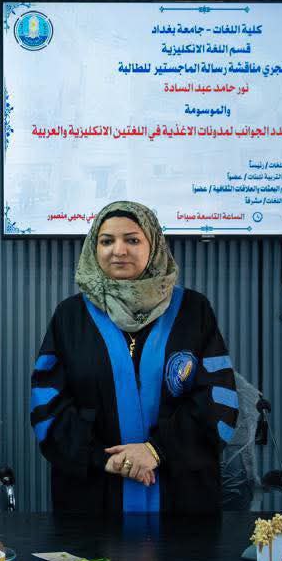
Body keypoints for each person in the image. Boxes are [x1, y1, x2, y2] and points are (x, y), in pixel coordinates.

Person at [29, 201, 238, 513]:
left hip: (181, 497)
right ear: (93, 248)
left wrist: (156, 451)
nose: (119, 251)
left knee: (185, 548)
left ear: (153, 246)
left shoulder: (193, 310)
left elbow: (218, 397)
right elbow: (48, 404)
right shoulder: (70, 316)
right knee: (90, 549)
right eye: (106, 241)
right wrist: (105, 459)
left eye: (132, 240)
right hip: (93, 495)